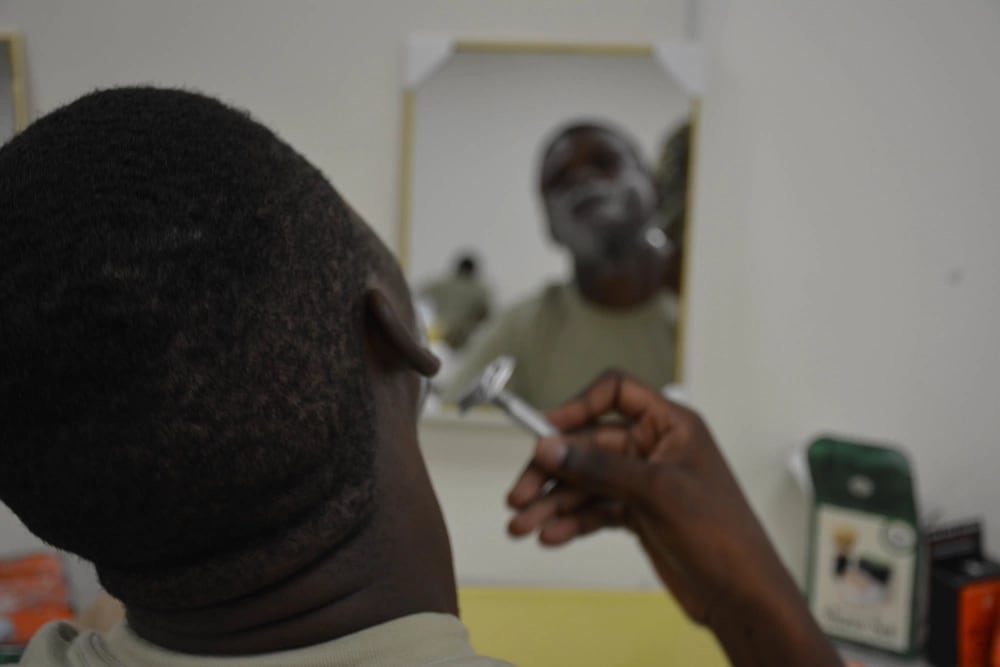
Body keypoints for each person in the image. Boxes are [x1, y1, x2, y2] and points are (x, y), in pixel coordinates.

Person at [0, 88, 842, 666]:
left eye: (604, 162)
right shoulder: (523, 319)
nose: (586, 185)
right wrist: (756, 604)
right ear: (391, 333)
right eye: (562, 177)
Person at [445, 122, 679, 410]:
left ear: (655, 186)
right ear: (550, 228)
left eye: (604, 162)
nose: (582, 178)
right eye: (560, 181)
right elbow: (450, 425)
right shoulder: (522, 329)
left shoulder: (704, 312)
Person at [418, 253, 492, 350]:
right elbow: (486, 316)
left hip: (433, 332)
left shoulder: (438, 285)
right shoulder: (479, 291)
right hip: (457, 338)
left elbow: (418, 299)